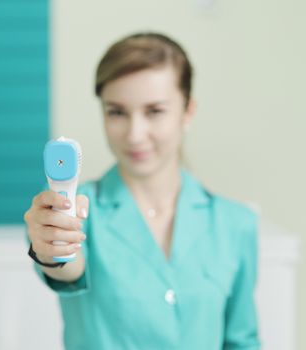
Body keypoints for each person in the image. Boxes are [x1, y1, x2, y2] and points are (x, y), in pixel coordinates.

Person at [24, 32, 260, 350]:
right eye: (117, 112)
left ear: (188, 111)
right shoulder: (71, 210)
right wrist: (53, 250)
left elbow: (241, 341)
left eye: (154, 111)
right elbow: (65, 266)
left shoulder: (236, 224)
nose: (135, 135)